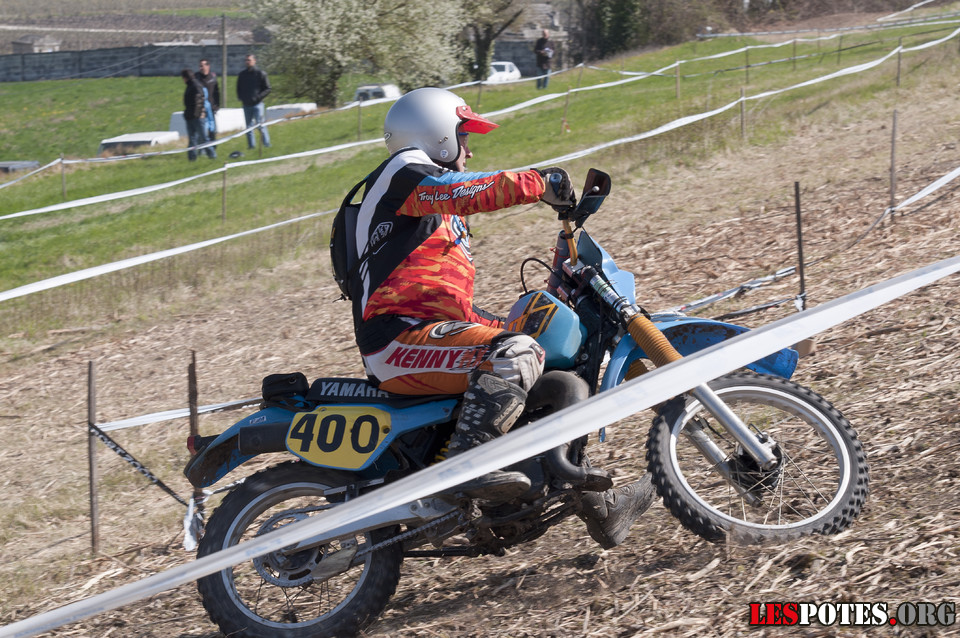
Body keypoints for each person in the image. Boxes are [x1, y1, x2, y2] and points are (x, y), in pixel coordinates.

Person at [342, 87, 653, 549]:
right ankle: (466, 472)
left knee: (539, 357)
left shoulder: (431, 210)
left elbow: (454, 311)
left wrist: (524, 319)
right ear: (437, 134)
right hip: (398, 339)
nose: (469, 150)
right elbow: (468, 191)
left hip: (426, 332)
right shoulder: (404, 173)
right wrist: (538, 182)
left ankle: (592, 506)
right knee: (517, 352)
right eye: (464, 136)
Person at [236, 53, 272, 149]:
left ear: (254, 61)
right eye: (246, 60)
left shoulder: (261, 74)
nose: (247, 62)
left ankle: (267, 144)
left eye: (249, 60)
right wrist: (241, 97)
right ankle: (251, 146)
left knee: (261, 125)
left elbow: (268, 89)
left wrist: (258, 97)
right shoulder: (242, 75)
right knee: (248, 127)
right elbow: (239, 88)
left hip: (258, 105)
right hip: (246, 104)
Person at [181, 69, 216, 160]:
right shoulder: (190, 85)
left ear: (186, 77)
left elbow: (199, 102)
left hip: (198, 118)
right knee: (192, 140)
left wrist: (196, 115)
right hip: (190, 117)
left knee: (204, 138)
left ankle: (212, 156)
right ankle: (192, 159)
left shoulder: (196, 86)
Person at [195, 58, 220, 143]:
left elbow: (216, 92)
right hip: (200, 108)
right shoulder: (196, 77)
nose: (201, 68)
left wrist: (217, 105)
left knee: (212, 128)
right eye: (200, 66)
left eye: (202, 66)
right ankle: (202, 146)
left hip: (211, 107)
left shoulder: (213, 77)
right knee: (201, 129)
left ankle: (213, 145)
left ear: (208, 66)